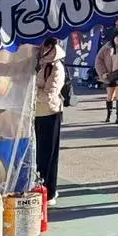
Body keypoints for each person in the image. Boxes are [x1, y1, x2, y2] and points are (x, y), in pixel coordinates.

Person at [34, 36, 66, 206]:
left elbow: (49, 95)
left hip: (50, 113)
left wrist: (31, 92)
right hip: (35, 113)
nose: (37, 48)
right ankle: (39, 186)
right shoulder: (37, 62)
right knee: (37, 153)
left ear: (49, 46)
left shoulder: (56, 67)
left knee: (49, 154)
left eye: (40, 45)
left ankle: (50, 191)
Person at [95, 28, 118, 125]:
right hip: (109, 75)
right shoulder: (106, 48)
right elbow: (98, 61)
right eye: (116, 37)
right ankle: (108, 115)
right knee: (110, 96)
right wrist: (102, 73)